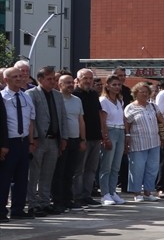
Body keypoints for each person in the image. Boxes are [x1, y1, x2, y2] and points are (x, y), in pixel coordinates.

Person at [26, 66, 67, 217]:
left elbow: (62, 117)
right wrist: (33, 138)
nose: (53, 82)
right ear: (40, 79)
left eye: (54, 79)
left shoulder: (57, 95)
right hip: (39, 140)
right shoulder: (31, 94)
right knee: (34, 174)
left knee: (47, 174)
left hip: (54, 140)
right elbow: (31, 118)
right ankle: (32, 204)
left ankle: (44, 202)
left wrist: (64, 137)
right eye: (49, 79)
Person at [124, 81, 164, 202]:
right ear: (135, 93)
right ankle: (136, 193)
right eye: (141, 92)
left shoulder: (153, 106)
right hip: (138, 142)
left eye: (146, 92)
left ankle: (148, 192)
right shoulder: (130, 107)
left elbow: (161, 120)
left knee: (152, 168)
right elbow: (126, 123)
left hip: (154, 141)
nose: (144, 94)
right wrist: (127, 135)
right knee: (137, 168)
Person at [1, 67, 35, 220]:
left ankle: (18, 209)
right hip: (9, 142)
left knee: (21, 178)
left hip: (23, 142)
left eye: (21, 76)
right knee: (4, 178)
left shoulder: (26, 97)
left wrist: (31, 141)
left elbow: (30, 121)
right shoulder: (2, 97)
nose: (20, 79)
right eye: (15, 77)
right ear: (6, 80)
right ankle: (1, 211)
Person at [53, 73, 85, 211]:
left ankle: (68, 199)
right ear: (59, 85)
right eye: (67, 83)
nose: (71, 85)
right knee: (59, 172)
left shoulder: (77, 100)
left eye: (72, 82)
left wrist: (82, 139)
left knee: (70, 172)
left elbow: (81, 120)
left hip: (75, 140)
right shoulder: (56, 99)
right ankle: (58, 201)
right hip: (62, 140)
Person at [72, 69, 105, 207]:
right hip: (82, 137)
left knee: (91, 168)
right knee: (79, 169)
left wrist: (103, 133)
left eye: (90, 78)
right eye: (85, 78)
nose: (88, 81)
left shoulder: (93, 94)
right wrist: (82, 139)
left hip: (95, 136)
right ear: (78, 80)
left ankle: (87, 194)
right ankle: (77, 196)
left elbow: (99, 113)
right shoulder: (74, 95)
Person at [98, 76, 126, 205]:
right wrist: (105, 137)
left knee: (116, 165)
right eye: (114, 84)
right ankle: (105, 193)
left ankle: (112, 191)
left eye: (119, 85)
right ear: (108, 86)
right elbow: (103, 120)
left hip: (120, 131)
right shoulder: (103, 100)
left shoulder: (120, 101)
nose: (117, 87)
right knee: (106, 166)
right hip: (110, 130)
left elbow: (123, 119)